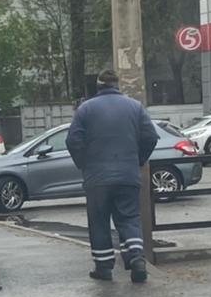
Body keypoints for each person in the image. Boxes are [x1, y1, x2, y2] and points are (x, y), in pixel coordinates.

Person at [65, 69, 159, 284]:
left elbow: (73, 141)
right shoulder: (135, 107)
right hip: (128, 174)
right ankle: (136, 258)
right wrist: (138, 159)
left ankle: (104, 267)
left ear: (98, 87)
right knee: (129, 218)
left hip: (97, 177)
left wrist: (84, 163)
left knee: (99, 221)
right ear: (117, 86)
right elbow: (151, 136)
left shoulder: (85, 109)